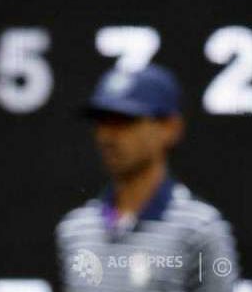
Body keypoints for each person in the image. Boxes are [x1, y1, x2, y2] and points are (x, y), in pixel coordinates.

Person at [55, 64, 239, 291]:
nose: (107, 136)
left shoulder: (200, 229)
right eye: (102, 121)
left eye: (125, 120)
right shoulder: (75, 229)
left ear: (170, 128)